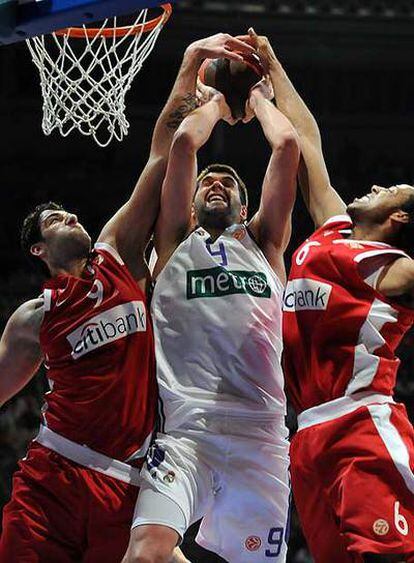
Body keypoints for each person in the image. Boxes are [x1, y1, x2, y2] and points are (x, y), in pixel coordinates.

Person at [0, 33, 255, 563]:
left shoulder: (118, 255)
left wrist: (189, 62)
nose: (69, 216)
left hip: (127, 483)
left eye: (68, 212)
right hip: (52, 475)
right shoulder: (33, 317)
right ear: (38, 249)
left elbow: (162, 154)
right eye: (54, 220)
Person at [123, 47, 301, 563]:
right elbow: (182, 143)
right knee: (147, 552)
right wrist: (220, 106)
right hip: (185, 430)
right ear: (194, 201)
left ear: (246, 207)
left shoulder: (265, 243)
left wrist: (262, 101)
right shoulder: (176, 242)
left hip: (260, 434)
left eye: (228, 183)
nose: (216, 184)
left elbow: (287, 146)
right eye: (208, 182)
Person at [244, 28, 414, 563]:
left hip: (363, 423)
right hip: (308, 435)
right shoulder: (331, 231)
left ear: (400, 218)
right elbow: (308, 142)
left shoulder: (395, 269)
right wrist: (271, 65)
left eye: (389, 190)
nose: (374, 186)